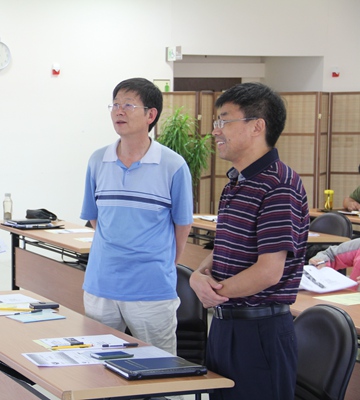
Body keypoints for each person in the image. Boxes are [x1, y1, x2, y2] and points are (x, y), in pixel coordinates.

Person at [189, 82, 310, 400]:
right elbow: (224, 248)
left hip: (259, 332)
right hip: (226, 326)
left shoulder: (279, 185)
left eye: (224, 120)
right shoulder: (236, 182)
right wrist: (199, 276)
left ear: (257, 126)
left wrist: (214, 293)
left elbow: (269, 271)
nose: (215, 131)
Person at [80, 77, 193, 355]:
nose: (119, 111)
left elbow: (182, 225)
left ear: (150, 115)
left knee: (158, 364)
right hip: (101, 284)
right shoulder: (97, 160)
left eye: (128, 105)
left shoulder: (173, 165)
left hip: (150, 288)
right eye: (115, 104)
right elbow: (95, 218)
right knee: (97, 366)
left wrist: (163, 263)